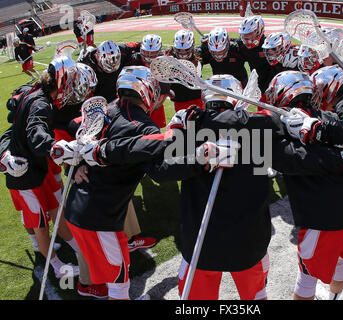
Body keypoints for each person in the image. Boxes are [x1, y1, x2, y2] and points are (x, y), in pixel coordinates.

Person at [148, 74, 343, 300]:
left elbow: (160, 169)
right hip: (249, 240)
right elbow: (300, 159)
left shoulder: (191, 125)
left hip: (199, 240)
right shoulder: (261, 126)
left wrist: (200, 156)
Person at [268, 70, 343, 300]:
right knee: (339, 260)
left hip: (325, 216)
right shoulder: (328, 118)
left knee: (307, 276)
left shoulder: (279, 127)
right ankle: (333, 298)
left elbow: (293, 159)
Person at [64, 66, 173, 300]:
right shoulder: (144, 127)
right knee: (118, 284)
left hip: (77, 206)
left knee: (115, 274)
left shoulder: (106, 109)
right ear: (148, 90)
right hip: (101, 217)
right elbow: (160, 172)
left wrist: (74, 167)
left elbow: (75, 126)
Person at [0, 56, 83, 280]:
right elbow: (36, 132)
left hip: (34, 168)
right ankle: (56, 268)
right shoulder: (41, 103)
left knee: (56, 210)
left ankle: (77, 249)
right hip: (25, 174)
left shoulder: (34, 90)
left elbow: (15, 118)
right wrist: (55, 147)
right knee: (41, 225)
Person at [166, 30, 203, 112]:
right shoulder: (168, 57)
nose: (183, 53)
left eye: (186, 49)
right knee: (184, 121)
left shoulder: (198, 56)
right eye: (179, 50)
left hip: (195, 98)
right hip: (179, 99)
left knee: (194, 122)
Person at [237, 15, 274, 98]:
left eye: (250, 34)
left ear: (259, 31)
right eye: (244, 35)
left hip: (275, 86)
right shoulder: (241, 45)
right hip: (259, 87)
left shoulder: (269, 45)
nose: (246, 38)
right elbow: (230, 44)